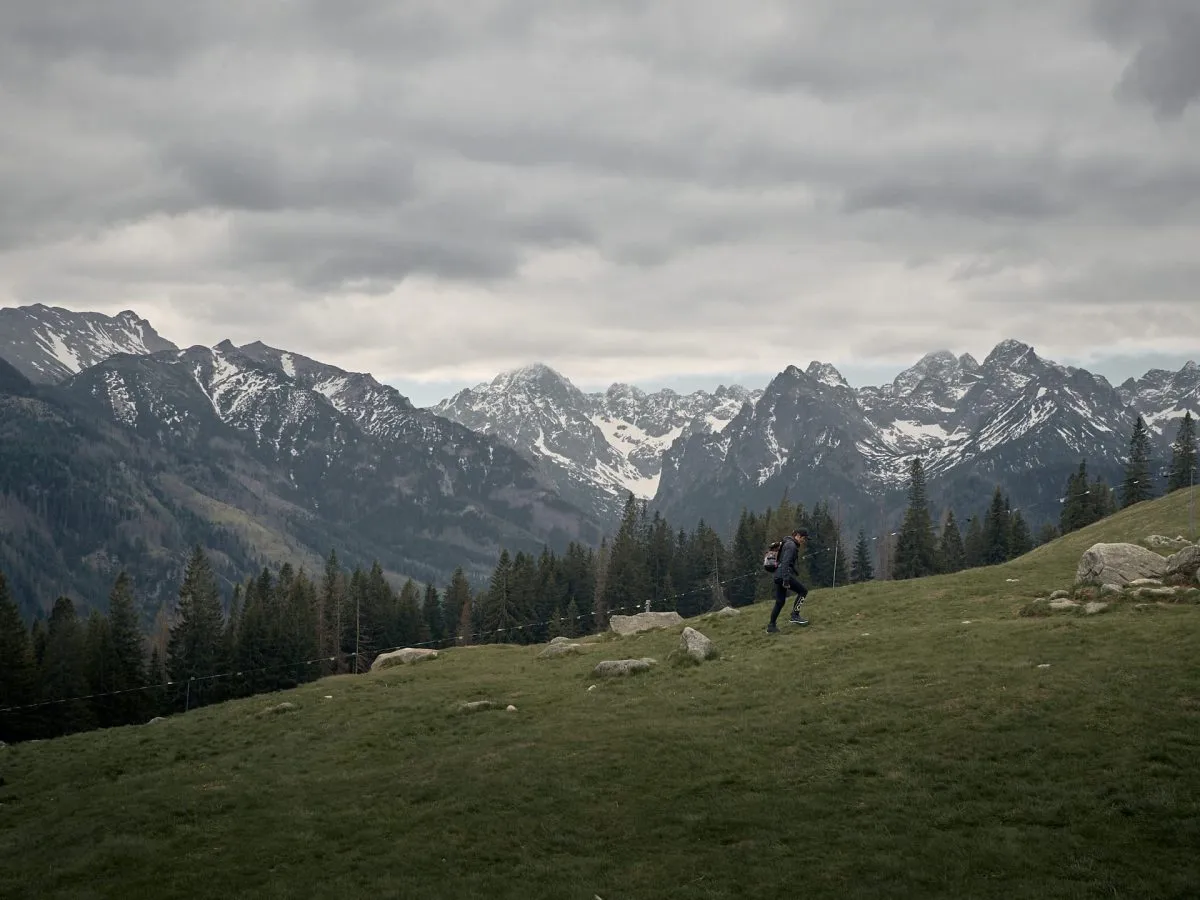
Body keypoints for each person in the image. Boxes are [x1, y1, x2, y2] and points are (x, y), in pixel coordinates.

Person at [767, 528, 809, 633]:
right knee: (803, 591)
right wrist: (786, 579)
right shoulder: (791, 546)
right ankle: (795, 615)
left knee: (780, 602)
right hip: (783, 575)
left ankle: (771, 626)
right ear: (798, 536)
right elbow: (785, 562)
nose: (804, 541)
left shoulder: (786, 543)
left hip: (778, 575)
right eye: (803, 538)